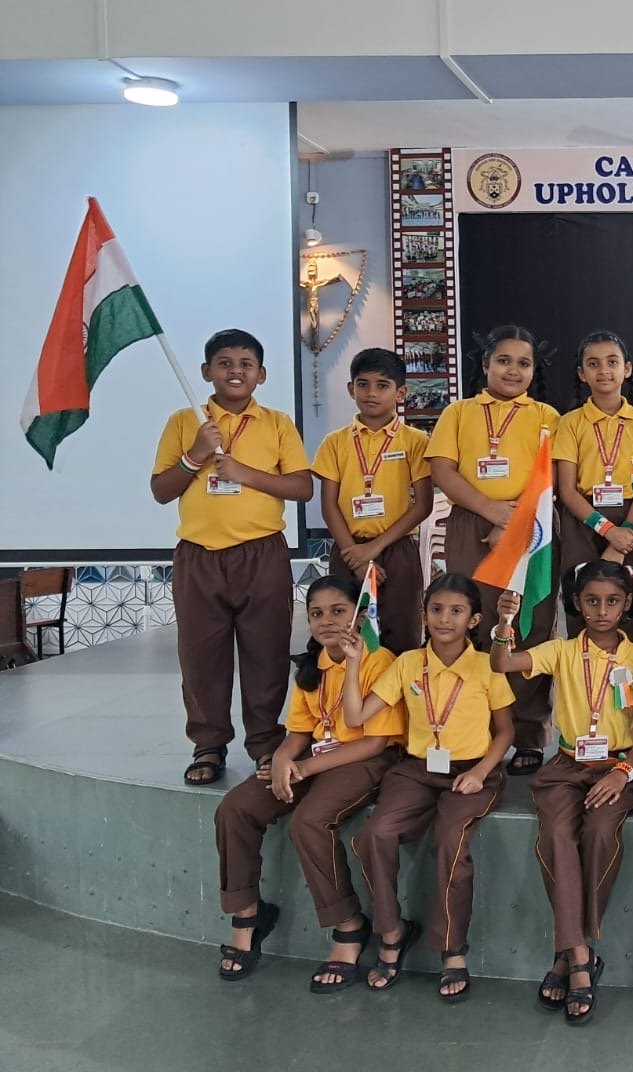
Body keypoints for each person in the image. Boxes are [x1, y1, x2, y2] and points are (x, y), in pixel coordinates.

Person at [488, 562, 633, 1024]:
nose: (601, 610)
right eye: (591, 601)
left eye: (612, 602)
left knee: (601, 832)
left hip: (618, 767)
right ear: (577, 604)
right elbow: (503, 663)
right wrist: (504, 623)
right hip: (566, 767)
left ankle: (568, 952)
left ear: (627, 605)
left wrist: (624, 771)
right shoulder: (562, 650)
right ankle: (580, 953)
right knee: (555, 837)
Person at [213, 575, 404, 989]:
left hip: (365, 758)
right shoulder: (311, 664)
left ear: (359, 616)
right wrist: (283, 759)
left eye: (338, 611)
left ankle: (348, 925)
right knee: (236, 807)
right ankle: (247, 914)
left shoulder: (379, 660)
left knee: (309, 822)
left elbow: (374, 743)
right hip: (315, 755)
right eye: (317, 613)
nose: (326, 621)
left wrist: (305, 768)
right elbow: (300, 731)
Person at [150, 328, 313, 786]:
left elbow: (302, 487)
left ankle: (265, 743)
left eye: (246, 364)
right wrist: (194, 456)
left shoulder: (277, 423)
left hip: (262, 554)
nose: (235, 371)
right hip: (199, 556)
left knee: (266, 651)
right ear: (207, 372)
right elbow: (161, 490)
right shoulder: (184, 421)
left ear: (262, 374)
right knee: (201, 656)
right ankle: (208, 743)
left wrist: (245, 473)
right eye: (224, 363)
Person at [346, 574, 514, 1002]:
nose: (444, 619)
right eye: (436, 609)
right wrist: (352, 663)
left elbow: (506, 733)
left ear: (474, 620)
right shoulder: (407, 663)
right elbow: (355, 716)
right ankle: (391, 931)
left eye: (456, 611)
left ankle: (452, 949)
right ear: (423, 614)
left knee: (450, 842)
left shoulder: (486, 665)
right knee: (374, 834)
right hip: (418, 770)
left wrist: (481, 772)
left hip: (472, 771)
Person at [425, 324, 561, 775]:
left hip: (533, 527)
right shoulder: (458, 413)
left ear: (534, 370)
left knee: (528, 624)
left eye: (523, 363)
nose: (513, 370)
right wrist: (490, 511)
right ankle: (473, 729)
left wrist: (514, 524)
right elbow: (443, 470)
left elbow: (550, 480)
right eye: (503, 360)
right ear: (485, 365)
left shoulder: (547, 416)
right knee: (471, 620)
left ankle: (527, 733)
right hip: (471, 524)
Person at [311, 347, 432, 652]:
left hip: (397, 549)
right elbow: (329, 505)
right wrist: (355, 555)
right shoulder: (335, 442)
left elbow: (423, 505)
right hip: (347, 548)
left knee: (401, 633)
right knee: (346, 634)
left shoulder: (416, 441)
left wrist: (373, 549)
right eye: (363, 384)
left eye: (382, 385)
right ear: (351, 389)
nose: (371, 393)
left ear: (401, 392)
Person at [553, 331, 633, 640]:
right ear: (581, 373)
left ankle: (627, 668)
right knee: (582, 603)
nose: (603, 370)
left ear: (627, 369)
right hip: (583, 520)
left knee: (626, 605)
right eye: (593, 364)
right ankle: (582, 667)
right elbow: (566, 490)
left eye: (612, 362)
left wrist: (622, 535)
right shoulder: (570, 423)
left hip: (631, 519)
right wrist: (607, 531)